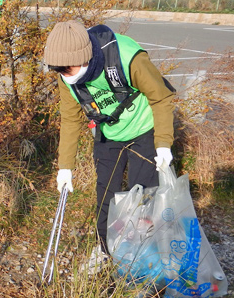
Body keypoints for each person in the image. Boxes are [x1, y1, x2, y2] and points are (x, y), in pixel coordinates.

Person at [44, 20, 175, 270]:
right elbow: (70, 119)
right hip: (108, 132)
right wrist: (65, 167)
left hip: (144, 128)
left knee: (145, 194)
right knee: (106, 194)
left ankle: (142, 253)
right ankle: (104, 249)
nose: (65, 76)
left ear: (84, 57)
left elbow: (161, 97)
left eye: (67, 69)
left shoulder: (126, 57)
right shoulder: (66, 76)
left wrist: (163, 144)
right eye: (59, 71)